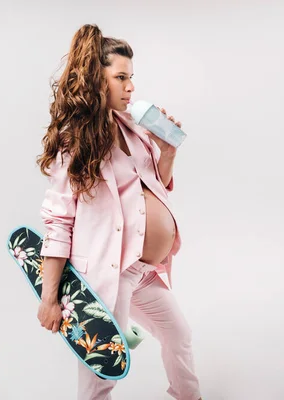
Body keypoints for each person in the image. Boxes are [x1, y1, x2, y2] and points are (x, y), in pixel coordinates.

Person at [34, 23, 202, 400]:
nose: (131, 87)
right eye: (120, 77)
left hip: (145, 272)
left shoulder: (133, 128)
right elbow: (58, 221)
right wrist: (49, 299)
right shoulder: (75, 144)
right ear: (97, 80)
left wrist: (168, 152)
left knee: (179, 335)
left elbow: (153, 186)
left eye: (132, 78)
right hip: (111, 272)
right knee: (101, 371)